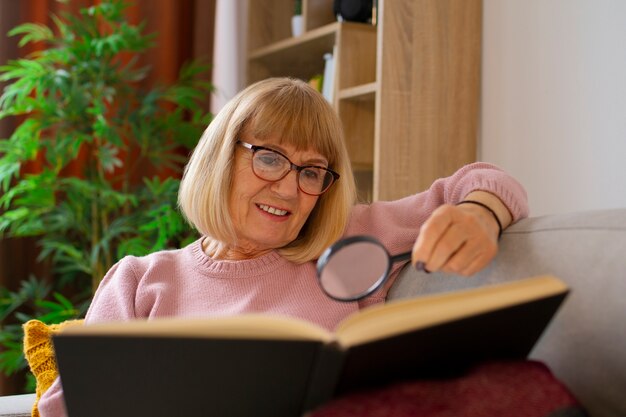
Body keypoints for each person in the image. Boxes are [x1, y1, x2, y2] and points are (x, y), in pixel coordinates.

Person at [38, 77, 529, 416]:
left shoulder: (347, 241)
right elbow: (70, 406)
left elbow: (486, 179)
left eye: (312, 171)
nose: (290, 189)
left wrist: (479, 214)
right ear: (221, 158)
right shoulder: (139, 280)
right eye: (269, 159)